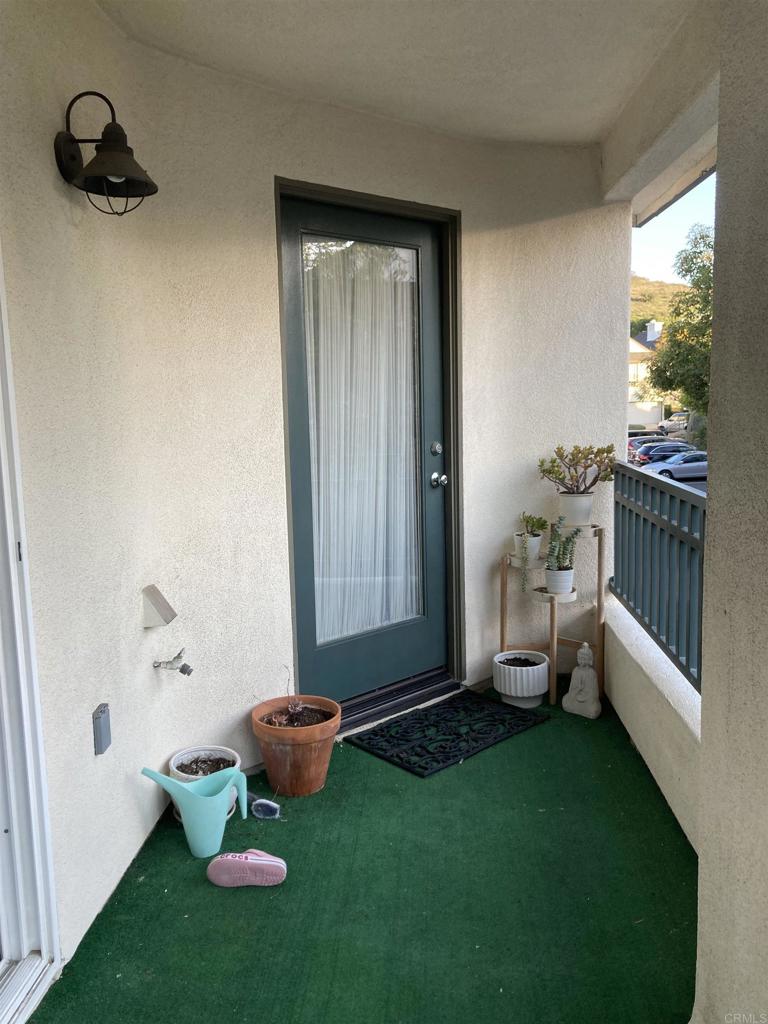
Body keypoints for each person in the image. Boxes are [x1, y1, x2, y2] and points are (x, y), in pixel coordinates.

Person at [562, 642, 601, 719]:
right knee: (565, 701)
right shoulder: (576, 670)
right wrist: (578, 688)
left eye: (583, 658)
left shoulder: (591, 673)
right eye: (579, 658)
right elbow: (572, 688)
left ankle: (586, 709)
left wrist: (585, 693)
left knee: (593, 710)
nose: (581, 660)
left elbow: (594, 692)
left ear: (589, 659)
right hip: (576, 695)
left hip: (587, 698)